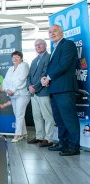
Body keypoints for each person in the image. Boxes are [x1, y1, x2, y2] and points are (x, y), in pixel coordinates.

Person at [41, 24, 80, 156]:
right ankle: (63, 143)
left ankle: (74, 146)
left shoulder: (68, 44)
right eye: (50, 32)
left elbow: (64, 65)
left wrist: (49, 77)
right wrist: (45, 77)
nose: (52, 33)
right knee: (60, 120)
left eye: (55, 31)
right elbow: (52, 67)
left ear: (62, 32)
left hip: (65, 89)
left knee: (69, 119)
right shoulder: (55, 48)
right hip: (55, 89)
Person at [26, 39, 55, 147]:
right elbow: (28, 76)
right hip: (34, 93)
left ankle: (49, 139)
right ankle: (39, 136)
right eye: (36, 45)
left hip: (43, 91)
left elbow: (45, 74)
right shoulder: (34, 60)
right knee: (36, 116)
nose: (37, 46)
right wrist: (29, 86)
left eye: (40, 44)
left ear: (45, 45)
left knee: (47, 116)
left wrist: (36, 87)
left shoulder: (49, 58)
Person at [2, 51, 30, 143]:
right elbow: (5, 81)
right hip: (12, 95)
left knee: (19, 114)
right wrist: (7, 89)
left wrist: (12, 90)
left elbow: (21, 79)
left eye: (17, 57)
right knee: (18, 114)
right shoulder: (10, 69)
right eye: (13, 57)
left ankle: (17, 134)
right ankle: (24, 133)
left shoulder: (24, 66)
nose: (15, 58)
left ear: (21, 58)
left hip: (22, 94)